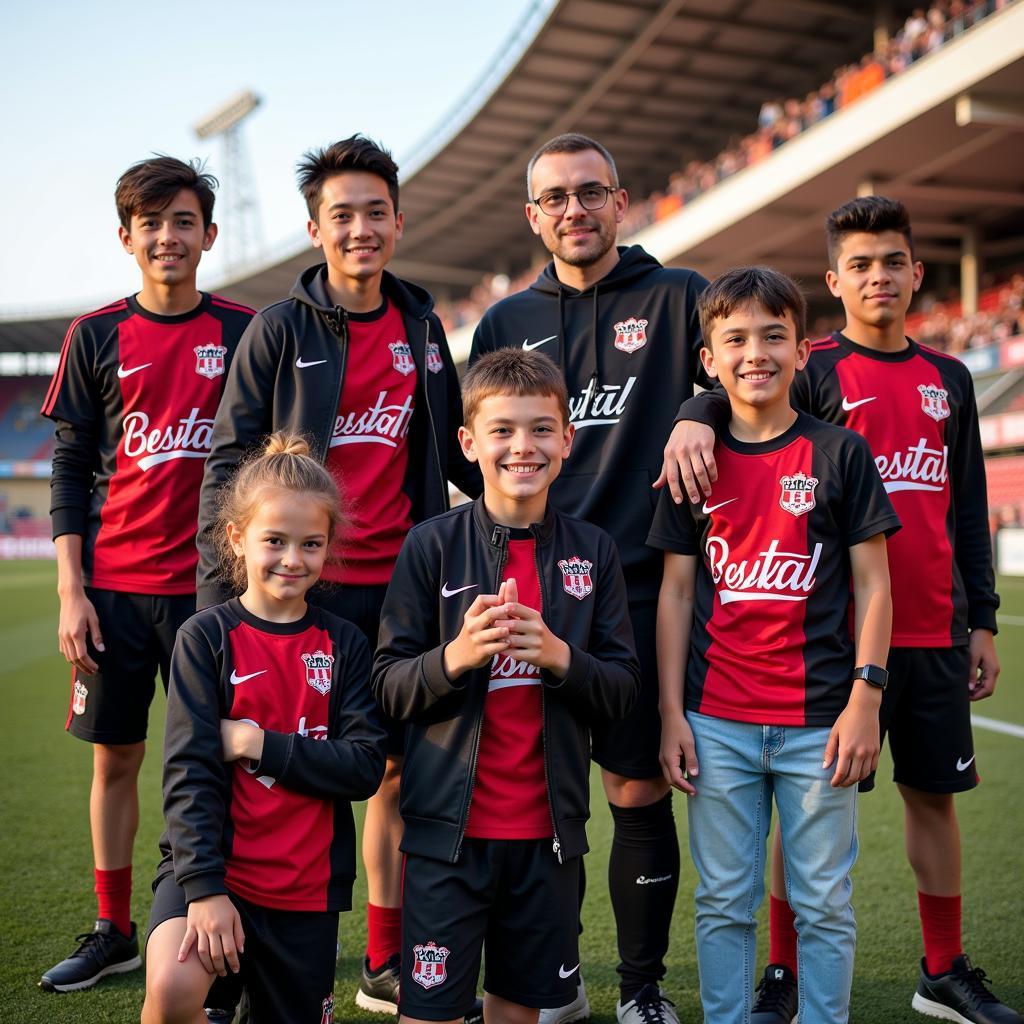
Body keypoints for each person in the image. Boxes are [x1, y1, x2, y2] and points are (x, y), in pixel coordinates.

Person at [670, 198, 1019, 1024]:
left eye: (893, 261)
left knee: (934, 796)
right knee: (805, 805)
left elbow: (966, 505)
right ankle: (783, 975)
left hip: (930, 627)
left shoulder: (951, 378)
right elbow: (734, 401)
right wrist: (691, 413)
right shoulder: (809, 363)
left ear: (916, 273)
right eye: (860, 265)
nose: (879, 277)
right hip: (824, 637)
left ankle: (944, 970)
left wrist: (985, 617)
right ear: (835, 280)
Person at [195, 134, 480, 1016]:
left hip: (401, 589)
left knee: (395, 773)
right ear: (316, 229)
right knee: (274, 768)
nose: (361, 229)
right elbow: (228, 461)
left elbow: (456, 456)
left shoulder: (425, 327)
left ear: (399, 220)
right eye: (342, 215)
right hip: (296, 591)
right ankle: (232, 938)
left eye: (375, 213)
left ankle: (384, 960)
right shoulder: (280, 330)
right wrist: (219, 608)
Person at [469, 132, 713, 1024]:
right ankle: (552, 983)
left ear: (621, 200)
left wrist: (700, 407)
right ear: (533, 217)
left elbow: (754, 382)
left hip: (649, 591)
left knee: (638, 788)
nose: (575, 210)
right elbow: (483, 443)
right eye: (556, 198)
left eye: (591, 192)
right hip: (534, 590)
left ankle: (641, 989)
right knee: (539, 796)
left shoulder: (681, 295)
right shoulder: (503, 322)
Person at [650, 265, 899, 1024]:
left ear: (801, 351)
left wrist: (866, 697)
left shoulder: (840, 454)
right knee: (724, 900)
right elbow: (678, 593)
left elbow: (876, 587)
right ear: (709, 359)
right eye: (735, 339)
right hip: (717, 721)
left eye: (772, 336)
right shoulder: (694, 461)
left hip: (821, 721)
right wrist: (669, 712)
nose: (754, 352)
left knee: (824, 902)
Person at [372, 347, 640, 1024]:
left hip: (548, 844)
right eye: (503, 430)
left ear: (567, 439)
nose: (524, 446)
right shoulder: (430, 546)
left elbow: (621, 691)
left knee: (517, 1012)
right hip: (444, 845)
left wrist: (558, 656)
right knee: (427, 1016)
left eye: (541, 429)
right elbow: (387, 688)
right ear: (469, 442)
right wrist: (455, 657)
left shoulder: (593, 551)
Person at [38, 157, 254, 994]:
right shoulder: (95, 335)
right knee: (116, 762)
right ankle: (114, 929)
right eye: (151, 222)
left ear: (208, 233)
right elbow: (68, 470)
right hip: (117, 591)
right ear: (127, 237)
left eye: (184, 220)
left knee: (228, 759)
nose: (169, 236)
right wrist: (71, 588)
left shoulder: (246, 330)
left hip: (217, 592)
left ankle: (235, 920)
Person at [141, 433, 386, 1024]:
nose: (292, 559)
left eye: (311, 544)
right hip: (213, 869)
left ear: (328, 549)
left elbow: (363, 767)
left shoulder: (345, 644)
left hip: (304, 889)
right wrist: (203, 890)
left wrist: (257, 743)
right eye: (274, 540)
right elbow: (188, 772)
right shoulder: (205, 638)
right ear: (236, 538)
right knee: (174, 989)